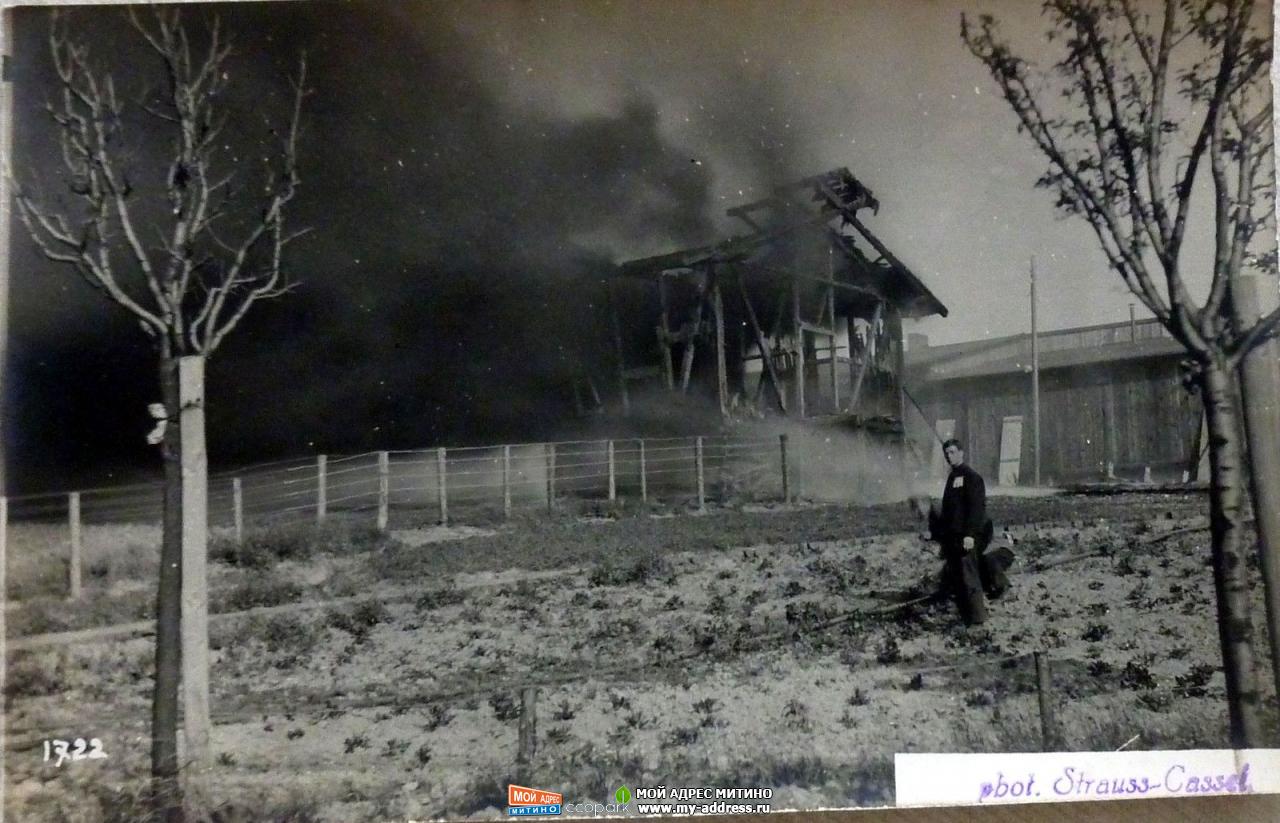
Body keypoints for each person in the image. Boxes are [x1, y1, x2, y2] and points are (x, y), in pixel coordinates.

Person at [929, 438, 990, 626]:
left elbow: (976, 509)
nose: (949, 456)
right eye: (946, 454)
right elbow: (950, 511)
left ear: (961, 453)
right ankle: (965, 619)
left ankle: (978, 620)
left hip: (965, 538)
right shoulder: (952, 477)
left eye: (953, 452)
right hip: (953, 539)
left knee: (969, 577)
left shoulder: (971, 477)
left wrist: (970, 534)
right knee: (958, 579)